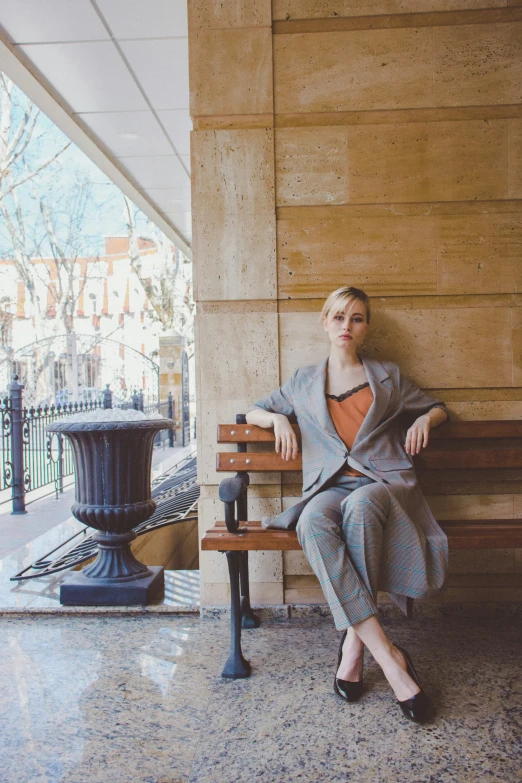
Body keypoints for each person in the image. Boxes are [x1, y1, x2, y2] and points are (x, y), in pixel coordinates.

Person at [245, 286, 449, 724]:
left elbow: (438, 407)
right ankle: (386, 651)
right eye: (338, 317)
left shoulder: (388, 376)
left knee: (361, 510)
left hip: (382, 483)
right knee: (313, 523)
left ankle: (358, 649)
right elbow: (254, 411)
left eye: (356, 318)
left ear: (366, 326)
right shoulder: (303, 381)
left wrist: (423, 418)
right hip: (328, 489)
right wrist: (279, 417)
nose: (346, 326)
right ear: (325, 322)